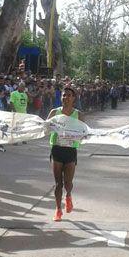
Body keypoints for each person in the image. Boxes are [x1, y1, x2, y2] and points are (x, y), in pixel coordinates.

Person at [47, 85, 84, 222]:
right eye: (64, 95)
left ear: (74, 98)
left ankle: (68, 196)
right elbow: (45, 127)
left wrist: (78, 136)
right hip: (57, 149)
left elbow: (84, 133)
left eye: (69, 95)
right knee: (58, 184)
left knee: (68, 183)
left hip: (70, 151)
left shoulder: (78, 115)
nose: (65, 98)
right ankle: (58, 209)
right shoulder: (54, 113)